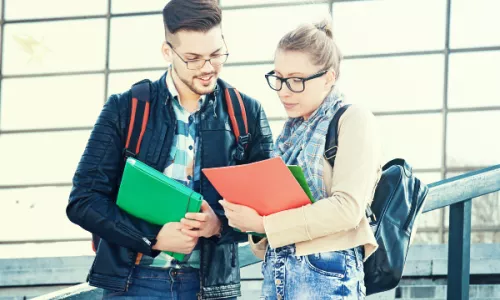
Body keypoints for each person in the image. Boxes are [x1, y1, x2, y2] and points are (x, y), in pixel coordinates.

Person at [66, 0, 273, 299]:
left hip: (210, 288)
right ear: (168, 52)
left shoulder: (246, 113)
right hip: (134, 283)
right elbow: (83, 201)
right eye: (193, 57)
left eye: (216, 54)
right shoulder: (126, 108)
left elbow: (269, 209)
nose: (207, 68)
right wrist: (152, 237)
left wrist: (219, 225)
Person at [220, 19, 382, 299]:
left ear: (329, 78)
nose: (283, 90)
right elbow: (273, 227)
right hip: (278, 269)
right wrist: (253, 223)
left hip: (326, 273)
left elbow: (347, 208)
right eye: (279, 78)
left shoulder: (352, 119)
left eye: (296, 80)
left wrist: (263, 224)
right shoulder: (288, 133)